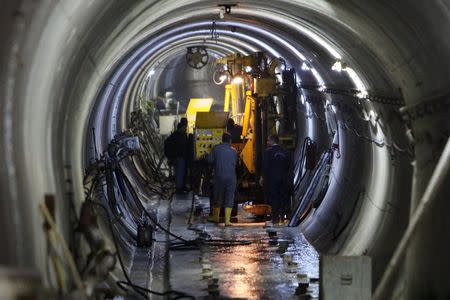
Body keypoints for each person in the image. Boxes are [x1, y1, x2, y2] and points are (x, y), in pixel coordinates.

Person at [207, 132, 238, 226]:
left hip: (219, 176)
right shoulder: (234, 151)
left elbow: (210, 160)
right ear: (230, 140)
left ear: (222, 139)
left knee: (218, 196)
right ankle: (227, 221)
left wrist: (206, 155)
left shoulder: (216, 149)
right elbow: (235, 163)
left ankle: (216, 217)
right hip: (231, 177)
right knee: (229, 196)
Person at [261, 134, 292, 224]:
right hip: (284, 178)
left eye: (268, 140)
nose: (267, 142)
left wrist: (263, 177)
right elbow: (289, 166)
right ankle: (283, 217)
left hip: (273, 179)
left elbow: (265, 166)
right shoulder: (286, 152)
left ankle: (275, 218)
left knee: (274, 198)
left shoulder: (268, 152)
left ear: (272, 141)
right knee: (283, 197)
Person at [172, 122, 188, 194]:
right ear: (181, 128)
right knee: (179, 173)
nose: (186, 129)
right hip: (179, 157)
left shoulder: (175, 135)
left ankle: (180, 187)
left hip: (178, 157)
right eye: (184, 128)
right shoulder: (179, 136)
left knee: (179, 173)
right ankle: (179, 189)